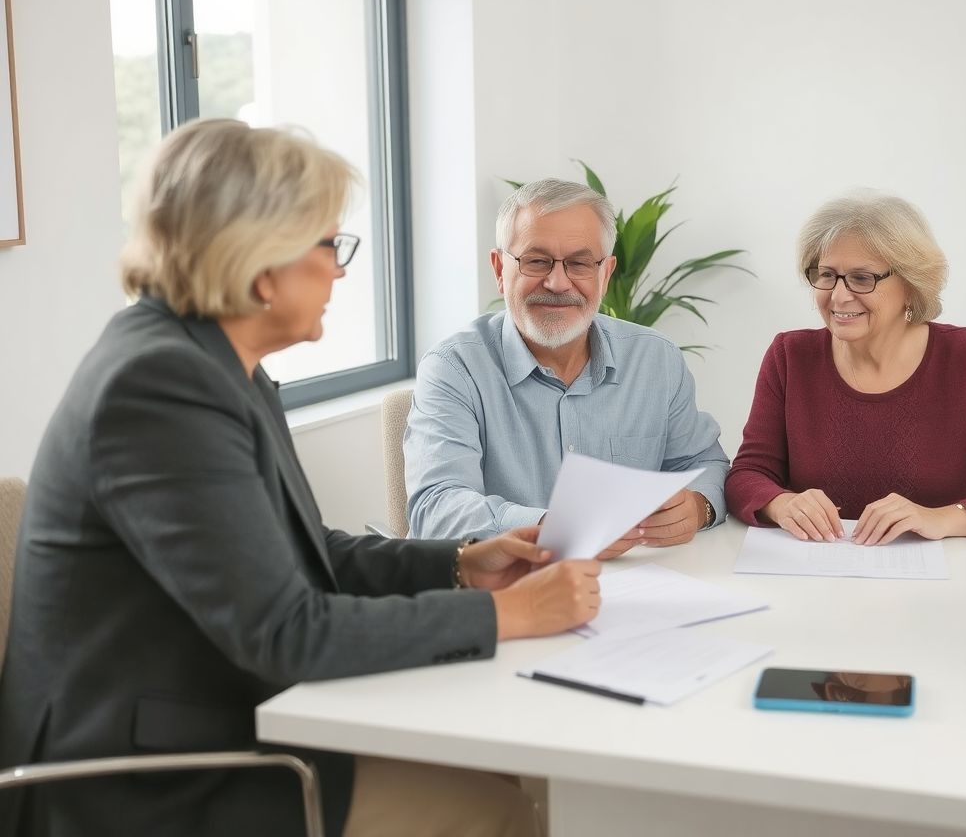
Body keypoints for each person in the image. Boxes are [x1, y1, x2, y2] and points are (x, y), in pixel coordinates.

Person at [0, 120, 601, 837]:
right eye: (329, 245)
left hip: (214, 716)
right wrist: (516, 615)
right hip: (144, 779)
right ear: (262, 262)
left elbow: (301, 548)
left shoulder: (210, 363)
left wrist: (460, 565)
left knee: (497, 769)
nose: (340, 271)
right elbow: (288, 632)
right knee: (496, 809)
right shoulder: (160, 388)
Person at [726, 189, 966, 543]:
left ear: (911, 285)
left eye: (862, 278)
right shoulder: (790, 357)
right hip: (816, 574)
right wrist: (780, 503)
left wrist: (943, 519)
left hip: (947, 582)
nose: (838, 295)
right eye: (827, 274)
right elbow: (747, 475)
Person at [404, 178, 729, 557]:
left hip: (637, 587)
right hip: (508, 594)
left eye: (579, 263)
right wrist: (553, 530)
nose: (558, 283)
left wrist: (698, 506)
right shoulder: (453, 369)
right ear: (499, 269)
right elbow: (437, 507)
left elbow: (704, 462)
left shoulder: (656, 359)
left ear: (605, 274)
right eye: (536, 261)